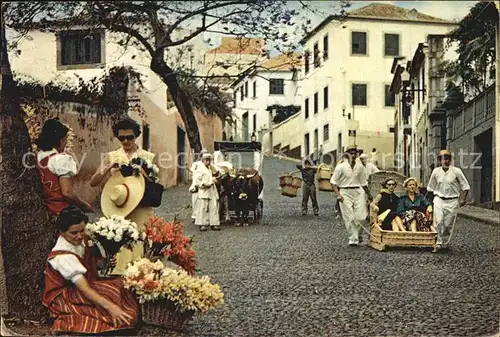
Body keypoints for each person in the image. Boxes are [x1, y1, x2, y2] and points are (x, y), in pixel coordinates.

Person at [43, 205, 138, 334]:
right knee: (110, 293)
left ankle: (123, 313)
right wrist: (111, 307)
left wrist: (104, 262)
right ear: (61, 232)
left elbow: (89, 262)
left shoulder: (81, 241)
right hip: (65, 295)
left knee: (120, 283)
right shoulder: (62, 257)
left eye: (82, 231)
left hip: (81, 285)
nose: (79, 236)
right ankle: (115, 315)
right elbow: (85, 289)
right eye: (74, 233)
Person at [89, 117, 156, 274]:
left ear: (136, 135)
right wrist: (108, 167)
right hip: (118, 209)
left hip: (140, 209)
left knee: (140, 249)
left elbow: (156, 186)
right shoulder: (112, 156)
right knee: (120, 249)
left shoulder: (148, 156)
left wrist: (143, 173)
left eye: (130, 137)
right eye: (121, 138)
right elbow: (93, 182)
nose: (126, 141)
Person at [35, 118, 93, 216]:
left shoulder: (37, 156)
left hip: (44, 210)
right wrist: (84, 205)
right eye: (65, 139)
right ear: (61, 140)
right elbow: (67, 193)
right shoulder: (61, 159)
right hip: (61, 210)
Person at [427, 149, 470, 251]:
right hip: (438, 200)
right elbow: (430, 188)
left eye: (447, 158)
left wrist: (463, 199)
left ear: (450, 160)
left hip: (452, 201)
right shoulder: (436, 172)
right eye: (442, 159)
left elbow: (465, 186)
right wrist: (429, 204)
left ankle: (445, 243)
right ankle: (437, 243)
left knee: (448, 224)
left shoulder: (456, 171)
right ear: (439, 160)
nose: (445, 161)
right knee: (438, 221)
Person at [331, 145, 372, 246]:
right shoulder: (340, 166)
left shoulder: (360, 166)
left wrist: (369, 195)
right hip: (345, 192)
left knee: (362, 217)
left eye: (355, 153)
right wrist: (338, 195)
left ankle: (358, 234)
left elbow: (363, 183)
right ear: (347, 154)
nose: (353, 155)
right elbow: (333, 182)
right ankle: (353, 239)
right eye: (351, 153)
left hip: (359, 192)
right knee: (349, 217)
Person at [194, 153, 221, 231]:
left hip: (211, 189)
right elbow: (196, 180)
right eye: (206, 160)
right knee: (202, 207)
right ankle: (202, 224)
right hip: (204, 190)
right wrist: (202, 185)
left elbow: (210, 177)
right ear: (202, 160)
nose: (208, 162)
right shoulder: (199, 169)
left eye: (209, 160)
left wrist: (215, 178)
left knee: (214, 207)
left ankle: (214, 223)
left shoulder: (209, 169)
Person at [188, 149, 208, 223]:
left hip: (205, 184)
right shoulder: (196, 164)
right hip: (196, 184)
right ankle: (195, 215)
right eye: (203, 154)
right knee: (195, 200)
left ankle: (204, 216)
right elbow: (192, 172)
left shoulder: (208, 164)